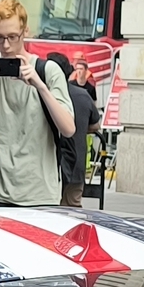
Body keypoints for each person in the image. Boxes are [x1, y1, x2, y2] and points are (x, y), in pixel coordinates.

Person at [0, 0, 72, 208]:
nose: (6, 45)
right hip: (1, 194)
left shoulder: (48, 70)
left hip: (41, 195)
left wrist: (39, 85)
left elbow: (69, 128)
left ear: (25, 31)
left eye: (12, 37)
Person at [49, 52, 100, 208]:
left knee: (44, 213)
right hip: (76, 163)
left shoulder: (41, 94)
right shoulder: (83, 95)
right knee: (72, 208)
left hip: (46, 167)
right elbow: (96, 124)